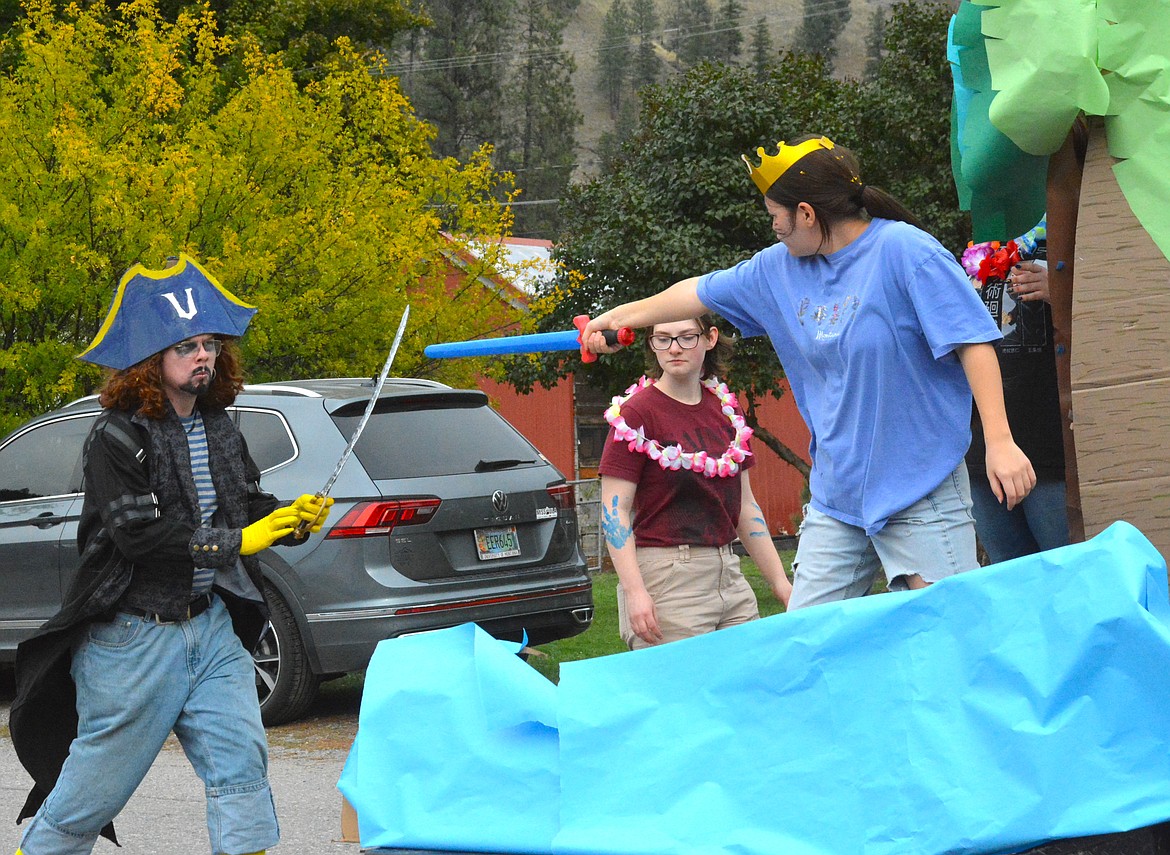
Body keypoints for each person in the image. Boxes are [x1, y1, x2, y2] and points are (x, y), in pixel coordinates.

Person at [584, 134, 1036, 610]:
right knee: (807, 638)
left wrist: (1000, 442)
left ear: (805, 212)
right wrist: (616, 318)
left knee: (946, 634)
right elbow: (696, 293)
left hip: (919, 487)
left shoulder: (905, 252)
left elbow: (973, 343)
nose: (773, 226)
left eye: (775, 215)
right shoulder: (778, 270)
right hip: (837, 498)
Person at [10, 254, 333, 855]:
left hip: (211, 628)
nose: (203, 356)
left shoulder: (220, 428)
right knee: (91, 796)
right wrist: (241, 541)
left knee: (242, 765)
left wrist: (289, 521)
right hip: (132, 641)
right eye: (186, 347)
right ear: (150, 362)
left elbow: (247, 504)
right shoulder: (115, 435)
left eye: (209, 343)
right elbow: (140, 539)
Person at [598, 315, 792, 649]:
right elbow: (614, 511)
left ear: (710, 338)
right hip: (667, 577)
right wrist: (635, 592)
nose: (674, 348)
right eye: (663, 338)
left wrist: (781, 584)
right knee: (681, 695)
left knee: (749, 683)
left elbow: (745, 506)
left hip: (728, 570)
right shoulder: (636, 414)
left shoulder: (726, 410)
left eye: (687, 337)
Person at [963, 218, 1070, 562]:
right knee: (1010, 580)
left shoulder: (1075, 230)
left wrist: (1064, 291)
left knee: (1068, 573)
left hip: (1052, 450)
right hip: (982, 454)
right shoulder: (974, 255)